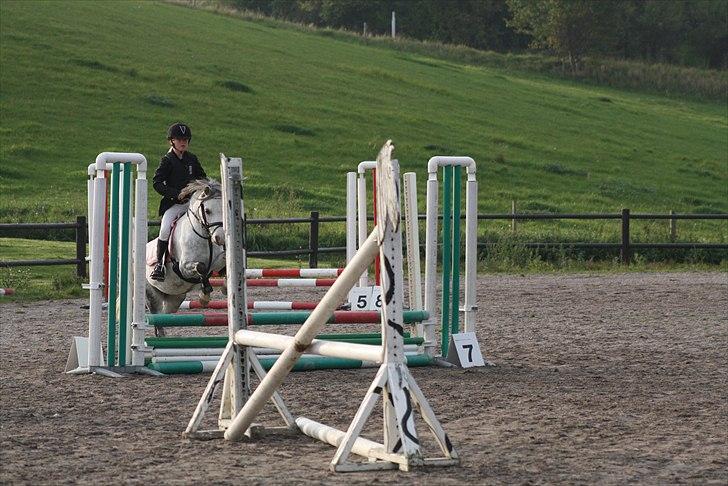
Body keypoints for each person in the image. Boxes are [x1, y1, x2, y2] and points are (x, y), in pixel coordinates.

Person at [150, 122, 207, 281]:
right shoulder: (167, 160)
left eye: (186, 140)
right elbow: (157, 183)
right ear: (172, 141)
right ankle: (159, 265)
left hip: (192, 203)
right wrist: (176, 194)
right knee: (164, 229)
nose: (183, 142)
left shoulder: (192, 159)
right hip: (175, 204)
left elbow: (202, 177)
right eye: (179, 139)